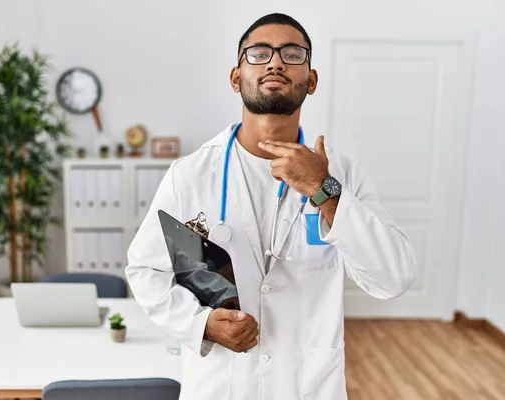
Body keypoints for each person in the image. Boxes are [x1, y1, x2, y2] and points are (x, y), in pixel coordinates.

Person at [125, 12, 416, 400]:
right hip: (222, 383)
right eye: (259, 53)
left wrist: (323, 189)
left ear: (311, 81)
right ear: (236, 77)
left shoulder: (342, 174)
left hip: (308, 385)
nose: (276, 61)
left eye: (293, 54)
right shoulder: (190, 175)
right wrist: (201, 324)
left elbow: (393, 277)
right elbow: (146, 270)